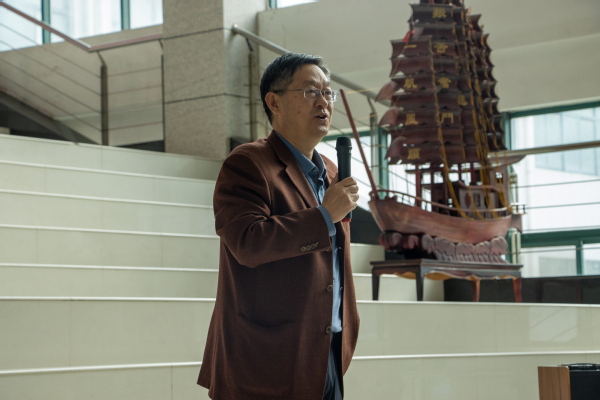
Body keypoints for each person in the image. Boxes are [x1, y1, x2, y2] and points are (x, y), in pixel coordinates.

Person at [197, 52, 360, 400]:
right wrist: (323, 216)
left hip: (327, 351)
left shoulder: (332, 172)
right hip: (265, 359)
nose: (324, 102)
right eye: (311, 91)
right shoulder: (248, 163)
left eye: (328, 93)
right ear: (274, 102)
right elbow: (248, 243)